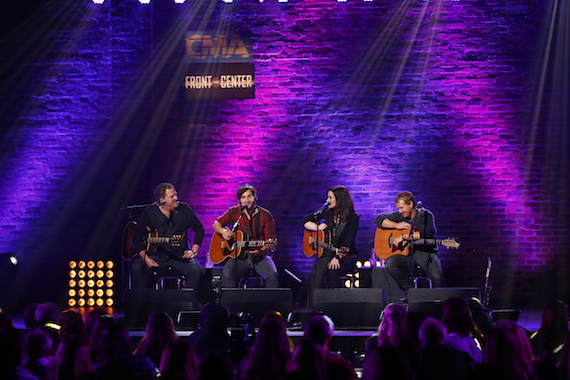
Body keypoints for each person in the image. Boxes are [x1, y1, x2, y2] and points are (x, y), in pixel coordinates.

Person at [132, 182, 204, 290]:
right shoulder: (149, 213)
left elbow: (199, 229)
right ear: (162, 200)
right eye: (172, 196)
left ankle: (186, 303)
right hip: (156, 256)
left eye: (175, 194)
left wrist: (194, 251)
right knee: (137, 268)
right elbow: (136, 239)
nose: (176, 198)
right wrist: (146, 258)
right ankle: (141, 304)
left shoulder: (184, 210)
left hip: (180, 256)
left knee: (196, 271)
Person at [375, 191, 444, 299]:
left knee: (437, 278)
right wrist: (396, 225)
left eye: (402, 208)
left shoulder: (425, 215)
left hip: (426, 254)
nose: (400, 211)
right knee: (391, 263)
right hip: (408, 256)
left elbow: (425, 234)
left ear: (410, 204)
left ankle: (440, 301)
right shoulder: (399, 216)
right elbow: (378, 220)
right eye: (398, 208)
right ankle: (411, 292)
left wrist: (403, 237)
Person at [212, 183, 279, 288]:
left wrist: (260, 251)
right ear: (239, 201)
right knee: (227, 274)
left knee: (272, 276)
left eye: (249, 196)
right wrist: (223, 232)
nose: (247, 200)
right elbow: (216, 224)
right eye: (243, 197)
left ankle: (269, 304)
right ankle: (231, 303)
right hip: (238, 258)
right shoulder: (234, 212)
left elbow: (270, 239)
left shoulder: (265, 215)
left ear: (254, 198)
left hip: (260, 257)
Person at [302, 186, 359, 288]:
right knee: (318, 270)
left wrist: (337, 257)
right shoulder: (327, 212)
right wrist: (318, 227)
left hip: (345, 255)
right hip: (328, 253)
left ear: (339, 199)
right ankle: (314, 300)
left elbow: (348, 242)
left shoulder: (353, 218)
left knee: (332, 269)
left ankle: (333, 301)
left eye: (330, 198)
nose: (327, 200)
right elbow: (305, 220)